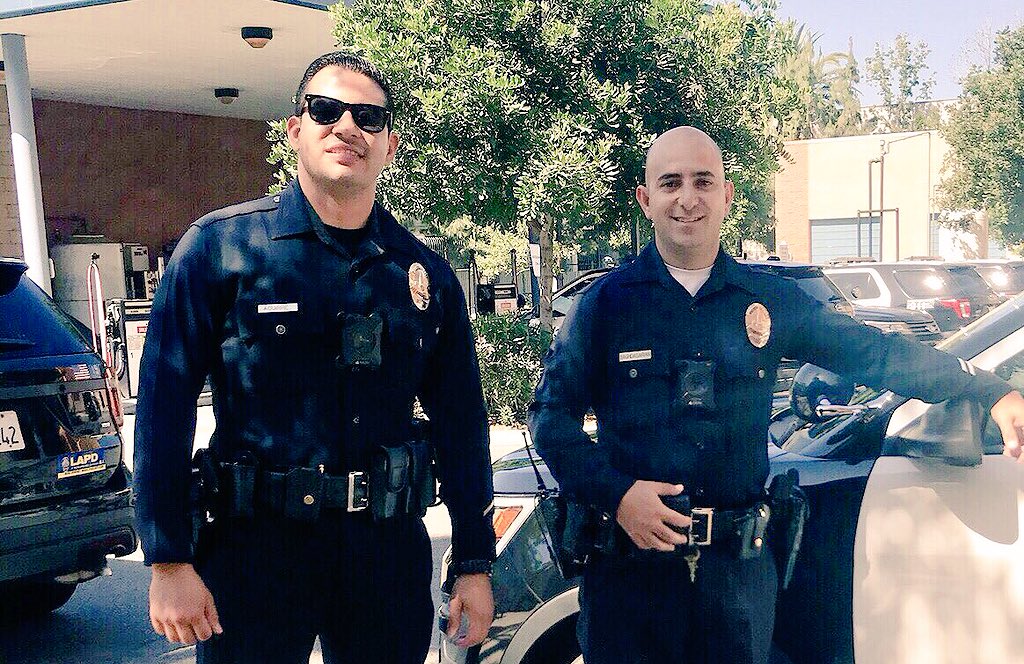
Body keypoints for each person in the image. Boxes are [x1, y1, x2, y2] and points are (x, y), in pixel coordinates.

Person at [527, 126, 1024, 664]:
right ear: (646, 200)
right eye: (671, 183)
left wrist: (987, 389)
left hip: (736, 584)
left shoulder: (770, 300)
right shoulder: (604, 307)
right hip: (630, 581)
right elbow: (550, 420)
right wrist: (618, 495)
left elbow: (873, 353)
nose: (688, 198)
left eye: (703, 182)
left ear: (726, 195)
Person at [133, 52, 495, 664]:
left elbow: (461, 422)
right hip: (256, 551)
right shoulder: (221, 250)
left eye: (369, 117)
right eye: (326, 110)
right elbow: (163, 407)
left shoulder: (422, 273)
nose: (347, 127)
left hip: (383, 552)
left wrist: (474, 563)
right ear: (296, 129)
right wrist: (168, 558)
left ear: (390, 145)